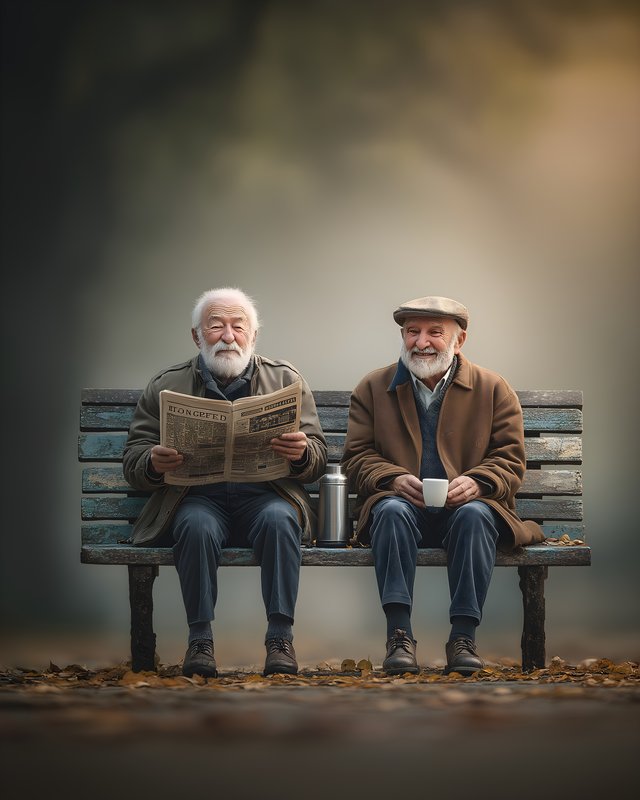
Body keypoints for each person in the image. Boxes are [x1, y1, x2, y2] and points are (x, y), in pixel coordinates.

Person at [123, 287, 327, 678]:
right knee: (195, 525)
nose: (228, 336)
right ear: (196, 336)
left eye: (238, 326)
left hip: (266, 496)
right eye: (216, 326)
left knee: (281, 519)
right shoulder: (167, 384)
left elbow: (317, 456)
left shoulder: (285, 379)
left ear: (254, 334)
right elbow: (134, 459)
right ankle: (200, 640)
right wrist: (152, 462)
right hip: (198, 499)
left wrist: (302, 453)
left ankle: (280, 639)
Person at [341, 296, 544, 676]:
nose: (421, 342)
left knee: (474, 515)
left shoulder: (492, 388)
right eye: (412, 332)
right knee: (391, 510)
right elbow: (356, 457)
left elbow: (510, 458)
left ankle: (463, 637)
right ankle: (399, 636)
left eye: (435, 332)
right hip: (402, 507)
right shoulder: (373, 387)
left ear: (459, 340)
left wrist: (478, 482)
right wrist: (392, 478)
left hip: (467, 511)